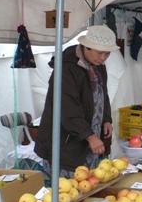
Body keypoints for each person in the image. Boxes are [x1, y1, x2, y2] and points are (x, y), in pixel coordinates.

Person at [35, 25, 119, 180]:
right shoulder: (66, 70)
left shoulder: (99, 67)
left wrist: (106, 119)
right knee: (68, 188)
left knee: (88, 184)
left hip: (88, 142)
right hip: (66, 144)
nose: (103, 57)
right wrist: (90, 136)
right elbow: (68, 109)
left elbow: (102, 95)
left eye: (107, 53)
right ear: (86, 47)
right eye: (100, 52)